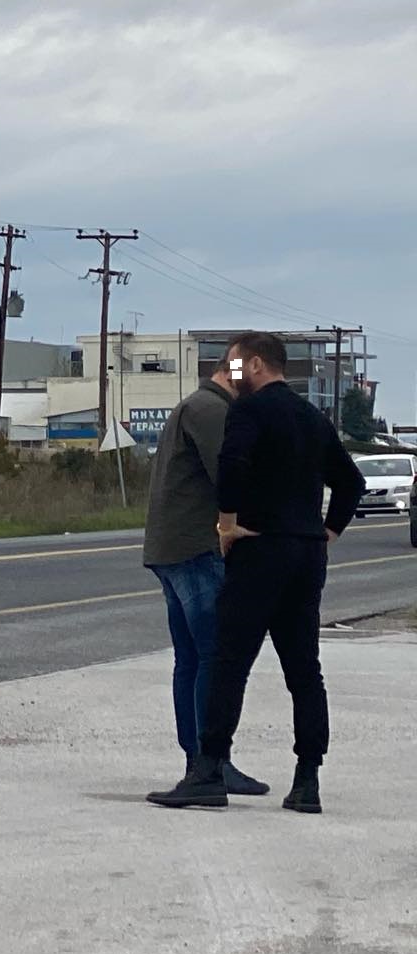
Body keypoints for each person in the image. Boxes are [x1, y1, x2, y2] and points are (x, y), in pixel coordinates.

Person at [149, 333, 364, 814]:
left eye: (236, 366)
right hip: (306, 554)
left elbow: (232, 462)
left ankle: (209, 769)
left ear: (258, 364)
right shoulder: (314, 418)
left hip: (260, 547)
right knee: (305, 670)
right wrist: (328, 531)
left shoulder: (248, 410)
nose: (231, 374)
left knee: (228, 662)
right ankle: (307, 779)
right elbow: (351, 481)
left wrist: (227, 522)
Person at [141, 369, 267, 796]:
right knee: (214, 655)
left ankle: (200, 761)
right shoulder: (211, 409)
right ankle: (210, 764)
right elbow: (231, 475)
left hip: (173, 548)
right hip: (196, 547)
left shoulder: (194, 406)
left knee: (192, 659)